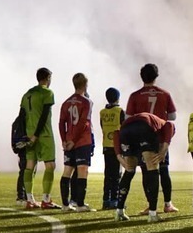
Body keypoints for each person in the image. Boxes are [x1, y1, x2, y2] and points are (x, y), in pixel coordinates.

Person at [126, 63, 179, 213]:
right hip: (161, 137)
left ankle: (151, 204)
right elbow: (172, 116)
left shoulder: (135, 96)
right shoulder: (165, 94)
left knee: (146, 171)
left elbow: (128, 118)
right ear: (156, 76)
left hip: (142, 138)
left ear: (141, 77)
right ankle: (168, 204)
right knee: (164, 170)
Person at [113, 113, 175, 223]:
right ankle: (152, 214)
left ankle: (119, 211)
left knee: (129, 171)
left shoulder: (141, 119)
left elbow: (117, 133)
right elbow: (170, 125)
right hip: (144, 127)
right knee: (152, 168)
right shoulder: (163, 125)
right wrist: (164, 150)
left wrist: (118, 156)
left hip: (125, 130)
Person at [20, 68, 57, 209]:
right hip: (44, 135)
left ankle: (29, 199)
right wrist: (36, 135)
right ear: (48, 78)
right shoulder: (47, 92)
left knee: (30, 165)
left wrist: (27, 135)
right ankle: (46, 199)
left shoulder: (27, 94)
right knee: (50, 166)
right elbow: (44, 115)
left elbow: (21, 116)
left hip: (29, 135)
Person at [59, 73, 95, 212]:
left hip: (68, 141)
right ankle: (80, 204)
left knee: (67, 170)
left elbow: (61, 123)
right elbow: (83, 123)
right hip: (82, 141)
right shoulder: (87, 102)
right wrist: (74, 141)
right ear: (85, 85)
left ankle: (65, 204)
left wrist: (64, 140)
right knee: (82, 171)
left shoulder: (66, 102)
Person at [99, 88, 126, 210]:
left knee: (108, 174)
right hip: (116, 145)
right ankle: (115, 200)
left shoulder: (102, 112)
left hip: (106, 145)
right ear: (118, 98)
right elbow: (124, 128)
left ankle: (106, 200)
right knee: (116, 174)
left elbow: (102, 126)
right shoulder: (120, 111)